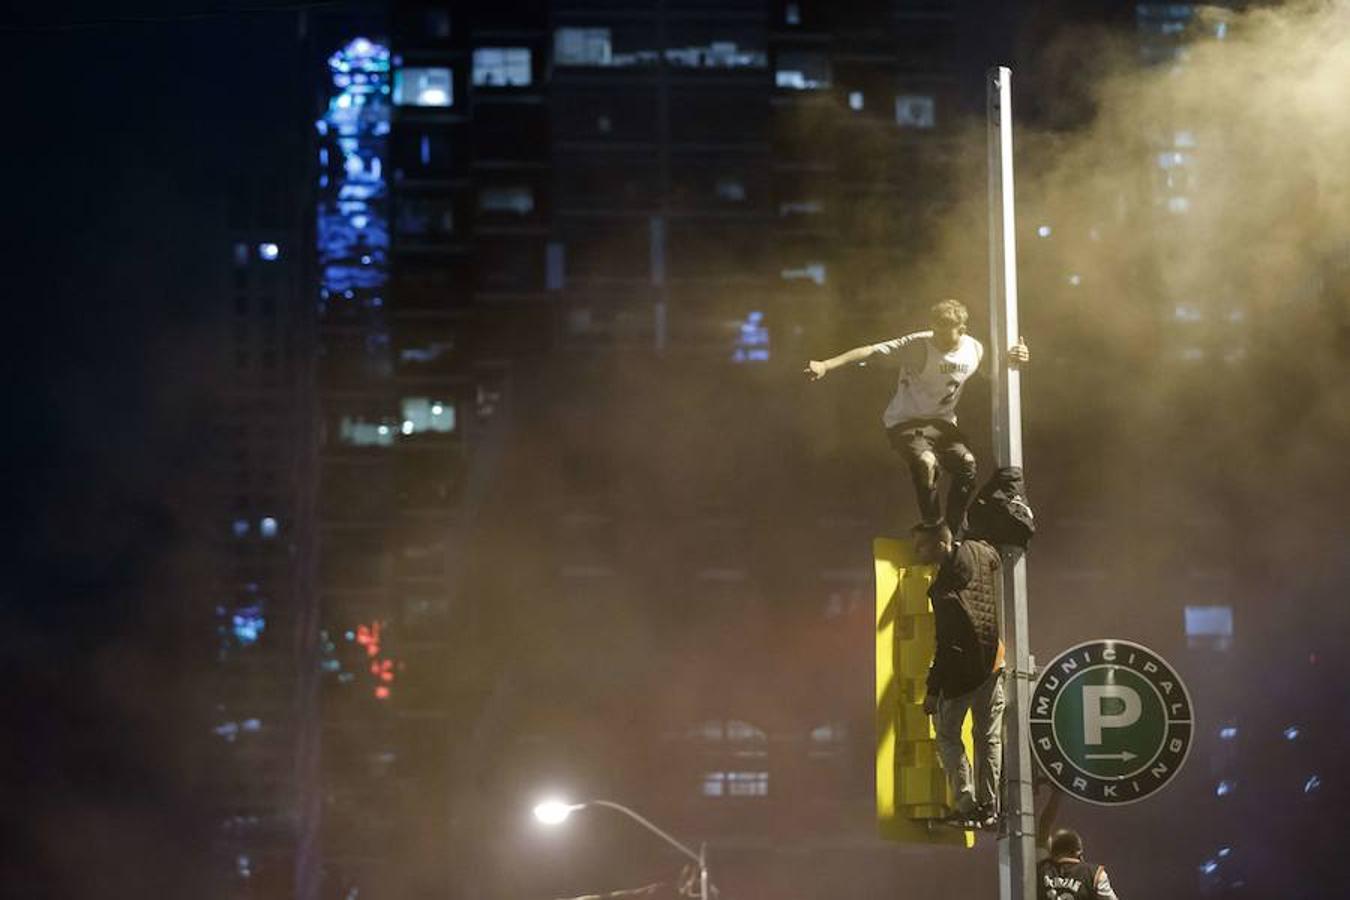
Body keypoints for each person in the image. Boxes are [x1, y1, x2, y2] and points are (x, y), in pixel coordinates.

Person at [804, 299, 1029, 534]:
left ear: (961, 331)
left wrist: (1012, 359)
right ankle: (933, 525)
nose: (937, 340)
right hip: (906, 422)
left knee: (967, 464)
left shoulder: (973, 349)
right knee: (926, 462)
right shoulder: (917, 346)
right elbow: (869, 352)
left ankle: (955, 531)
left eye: (944, 335)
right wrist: (826, 365)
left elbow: (989, 372)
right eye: (935, 332)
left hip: (942, 423)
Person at [914, 521, 1004, 828]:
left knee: (949, 737)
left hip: (964, 675)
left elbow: (946, 646)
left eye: (921, 546)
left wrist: (932, 690)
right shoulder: (982, 552)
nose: (916, 552)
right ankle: (990, 808)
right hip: (994, 661)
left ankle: (967, 807)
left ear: (940, 545)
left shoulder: (943, 593)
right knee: (988, 736)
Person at [1038, 829, 1120, 899]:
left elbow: (1044, 828)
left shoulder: (1039, 869)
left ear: (1053, 852)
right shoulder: (1093, 874)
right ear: (1079, 852)